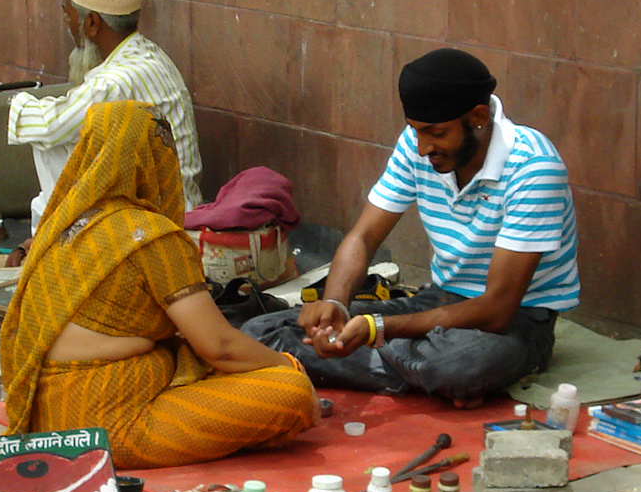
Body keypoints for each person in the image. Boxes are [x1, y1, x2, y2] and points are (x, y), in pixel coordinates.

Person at [243, 48, 581, 409]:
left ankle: (425, 371)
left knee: (460, 365)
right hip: (439, 300)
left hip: (517, 321)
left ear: (479, 117)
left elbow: (497, 310)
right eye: (415, 131)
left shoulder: (534, 169)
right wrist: (335, 304)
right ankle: (423, 374)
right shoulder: (418, 144)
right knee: (260, 331)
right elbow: (363, 236)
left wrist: (377, 329)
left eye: (435, 133)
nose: (422, 147)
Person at [0, 99, 319, 470]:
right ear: (153, 161)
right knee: (289, 394)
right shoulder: (149, 235)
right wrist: (289, 366)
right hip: (111, 428)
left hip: (47, 418)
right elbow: (220, 347)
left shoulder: (60, 226)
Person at [6, 0, 203, 242]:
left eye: (67, 12)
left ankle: (53, 247)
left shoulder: (113, 82)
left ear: (92, 23)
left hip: (160, 223)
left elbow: (49, 126)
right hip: (176, 208)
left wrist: (15, 105)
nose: (65, 21)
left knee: (49, 142)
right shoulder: (150, 53)